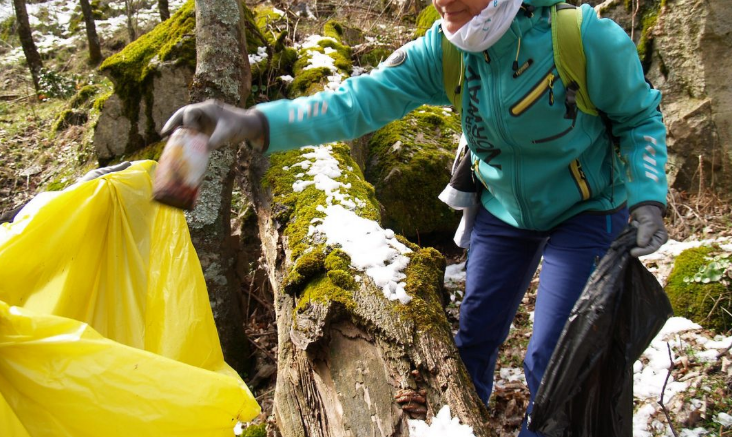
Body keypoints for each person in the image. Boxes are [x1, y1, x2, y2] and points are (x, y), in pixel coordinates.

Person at [163, 0, 669, 434]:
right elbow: (356, 103)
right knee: (470, 343)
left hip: (586, 210)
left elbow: (640, 118)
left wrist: (648, 198)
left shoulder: (581, 39)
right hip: (504, 209)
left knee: (556, 359)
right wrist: (253, 121)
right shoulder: (446, 49)